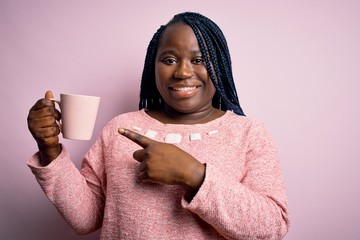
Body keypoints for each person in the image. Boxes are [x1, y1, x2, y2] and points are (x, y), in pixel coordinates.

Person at [27, 12, 290, 239]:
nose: (183, 72)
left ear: (219, 67)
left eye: (198, 60)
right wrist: (50, 150)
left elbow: (271, 226)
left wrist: (193, 175)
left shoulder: (249, 133)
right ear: (152, 67)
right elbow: (85, 220)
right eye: (169, 60)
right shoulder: (118, 129)